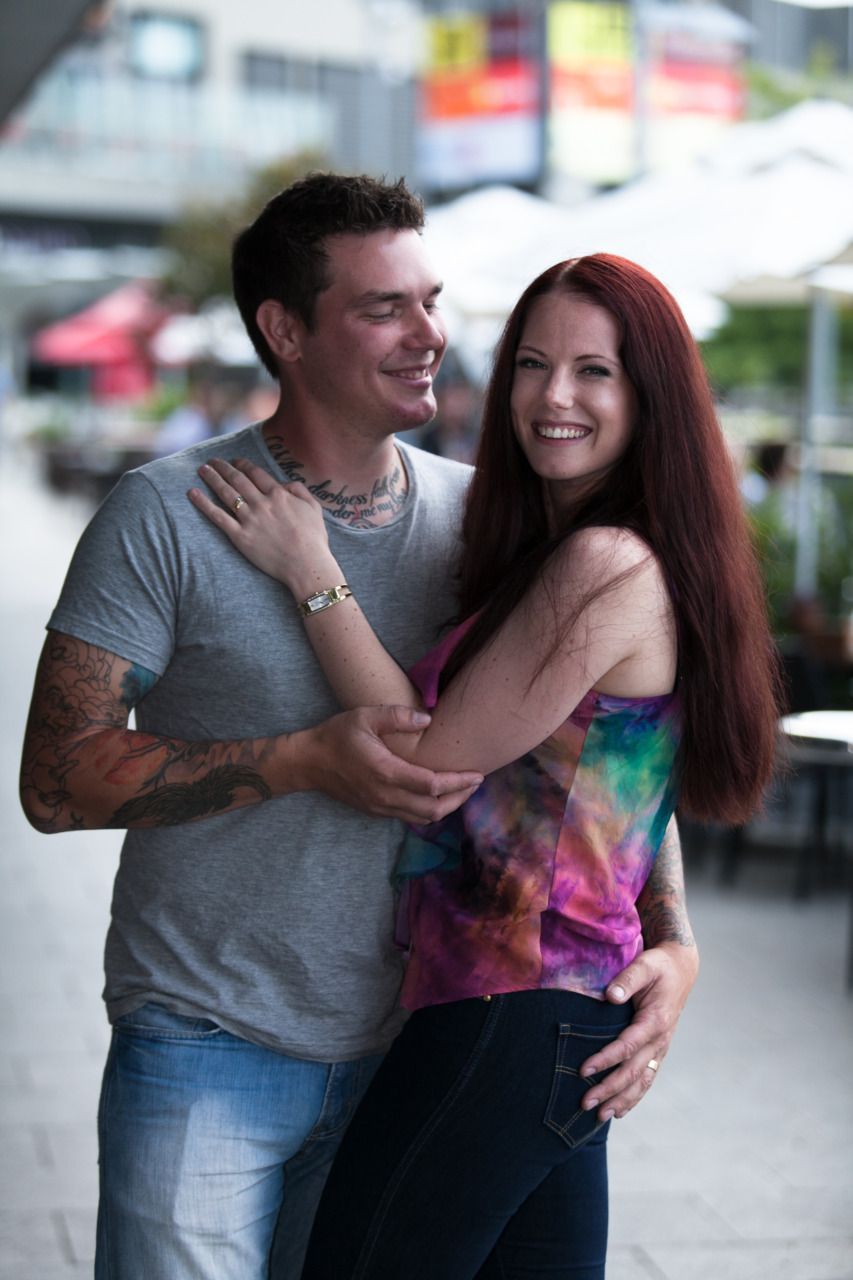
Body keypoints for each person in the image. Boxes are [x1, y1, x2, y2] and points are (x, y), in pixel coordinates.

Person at [19, 174, 695, 1280]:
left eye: (431, 300)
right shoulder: (167, 512)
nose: (429, 334)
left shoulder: (484, 513)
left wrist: (670, 934)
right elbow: (53, 779)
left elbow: (585, 748)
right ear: (284, 330)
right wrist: (296, 761)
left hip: (418, 1051)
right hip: (209, 1042)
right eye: (385, 307)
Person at [191, 252, 780, 1278]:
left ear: (650, 395)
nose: (554, 397)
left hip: (506, 1012)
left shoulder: (605, 563)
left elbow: (425, 762)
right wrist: (676, 941)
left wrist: (311, 570)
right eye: (533, 364)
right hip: (558, 1016)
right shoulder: (570, 551)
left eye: (594, 371)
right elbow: (614, 782)